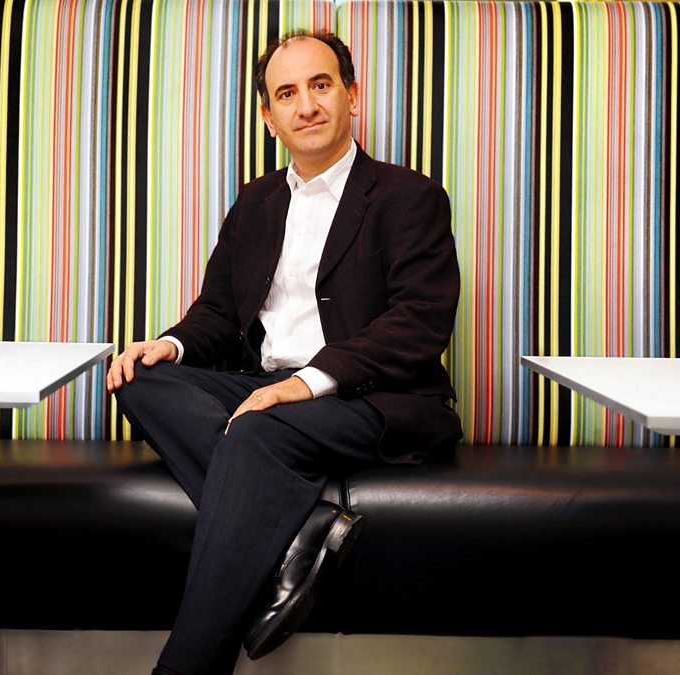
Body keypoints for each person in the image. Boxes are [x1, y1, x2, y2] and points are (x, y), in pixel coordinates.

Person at [106, 31, 461, 675]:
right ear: (269, 118)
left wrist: (306, 384)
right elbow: (218, 312)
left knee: (256, 433)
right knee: (139, 380)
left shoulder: (408, 197)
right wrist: (169, 344)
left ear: (352, 95)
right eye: (287, 93)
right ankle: (305, 530)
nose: (307, 105)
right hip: (266, 387)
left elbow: (420, 323)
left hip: (371, 398)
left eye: (321, 85)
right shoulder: (256, 202)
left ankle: (186, 667)